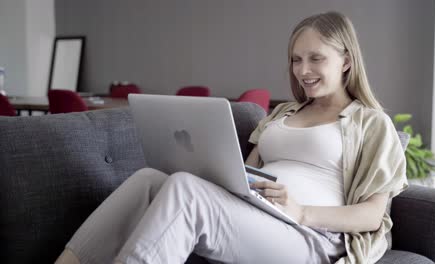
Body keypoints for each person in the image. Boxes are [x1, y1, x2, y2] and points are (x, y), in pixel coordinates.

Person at [56, 11, 407, 264]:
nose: (303, 71)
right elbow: (244, 174)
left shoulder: (371, 123)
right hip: (256, 215)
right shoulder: (282, 114)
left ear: (346, 61)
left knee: (185, 191)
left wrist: (301, 212)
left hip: (310, 237)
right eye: (296, 59)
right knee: (151, 179)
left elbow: (373, 216)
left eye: (316, 58)